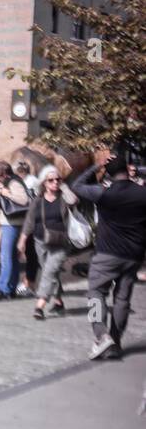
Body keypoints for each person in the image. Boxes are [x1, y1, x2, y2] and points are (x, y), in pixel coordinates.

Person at [70, 153, 146, 359]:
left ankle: (101, 336)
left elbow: (76, 186)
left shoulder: (103, 193)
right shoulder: (142, 193)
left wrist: (96, 167)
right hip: (134, 255)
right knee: (122, 300)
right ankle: (116, 342)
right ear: (127, 170)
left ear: (109, 174)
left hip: (107, 254)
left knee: (96, 293)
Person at [18, 164, 76, 321]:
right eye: (51, 180)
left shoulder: (64, 198)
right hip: (40, 241)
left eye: (58, 179)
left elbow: (73, 200)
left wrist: (64, 186)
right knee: (50, 272)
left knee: (49, 272)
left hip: (61, 242)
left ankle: (39, 306)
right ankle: (58, 302)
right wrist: (22, 240)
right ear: (44, 182)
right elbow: (29, 221)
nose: (55, 182)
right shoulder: (37, 201)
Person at [0, 161, 33, 301]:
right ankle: (10, 289)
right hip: (12, 224)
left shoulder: (13, 183)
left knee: (6, 258)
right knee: (12, 258)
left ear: (3, 174)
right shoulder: (10, 181)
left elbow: (24, 200)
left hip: (12, 225)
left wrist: (6, 193)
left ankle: (3, 289)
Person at [14, 160, 41, 297]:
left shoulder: (28, 183)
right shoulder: (34, 181)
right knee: (31, 255)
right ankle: (29, 282)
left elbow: (29, 203)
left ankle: (29, 284)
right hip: (32, 221)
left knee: (31, 255)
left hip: (31, 222)